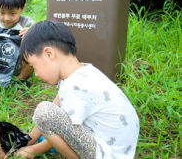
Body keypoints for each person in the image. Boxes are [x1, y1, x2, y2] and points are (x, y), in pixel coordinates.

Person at [16, 21, 140, 159]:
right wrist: (30, 138)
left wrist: (33, 150)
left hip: (108, 154)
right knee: (49, 116)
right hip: (116, 148)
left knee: (43, 113)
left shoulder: (75, 87)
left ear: (49, 53)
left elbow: (56, 125)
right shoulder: (82, 72)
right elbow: (58, 105)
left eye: (34, 66)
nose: (37, 74)